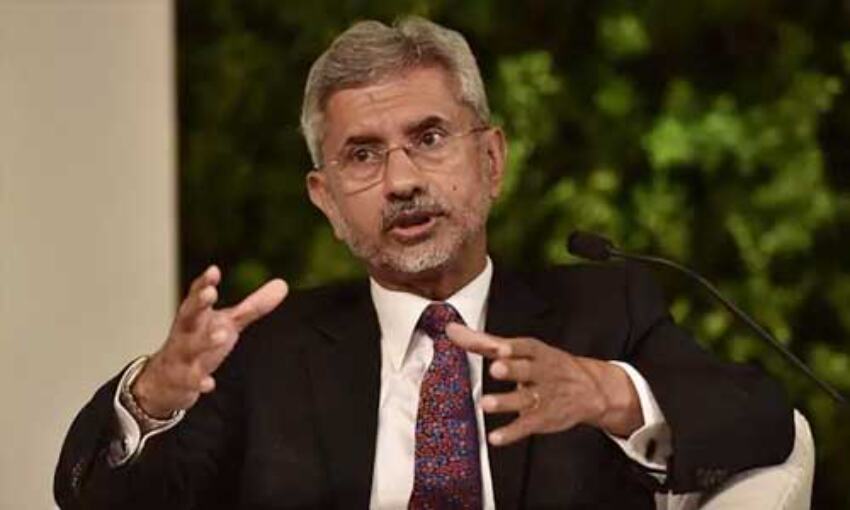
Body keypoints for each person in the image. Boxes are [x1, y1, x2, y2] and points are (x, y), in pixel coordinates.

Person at [54, 17, 793, 509]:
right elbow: (96, 500)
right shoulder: (267, 354)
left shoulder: (602, 312)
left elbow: (765, 420)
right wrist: (151, 399)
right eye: (362, 155)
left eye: (430, 138)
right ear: (327, 200)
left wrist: (608, 394)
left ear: (491, 160)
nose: (402, 180)